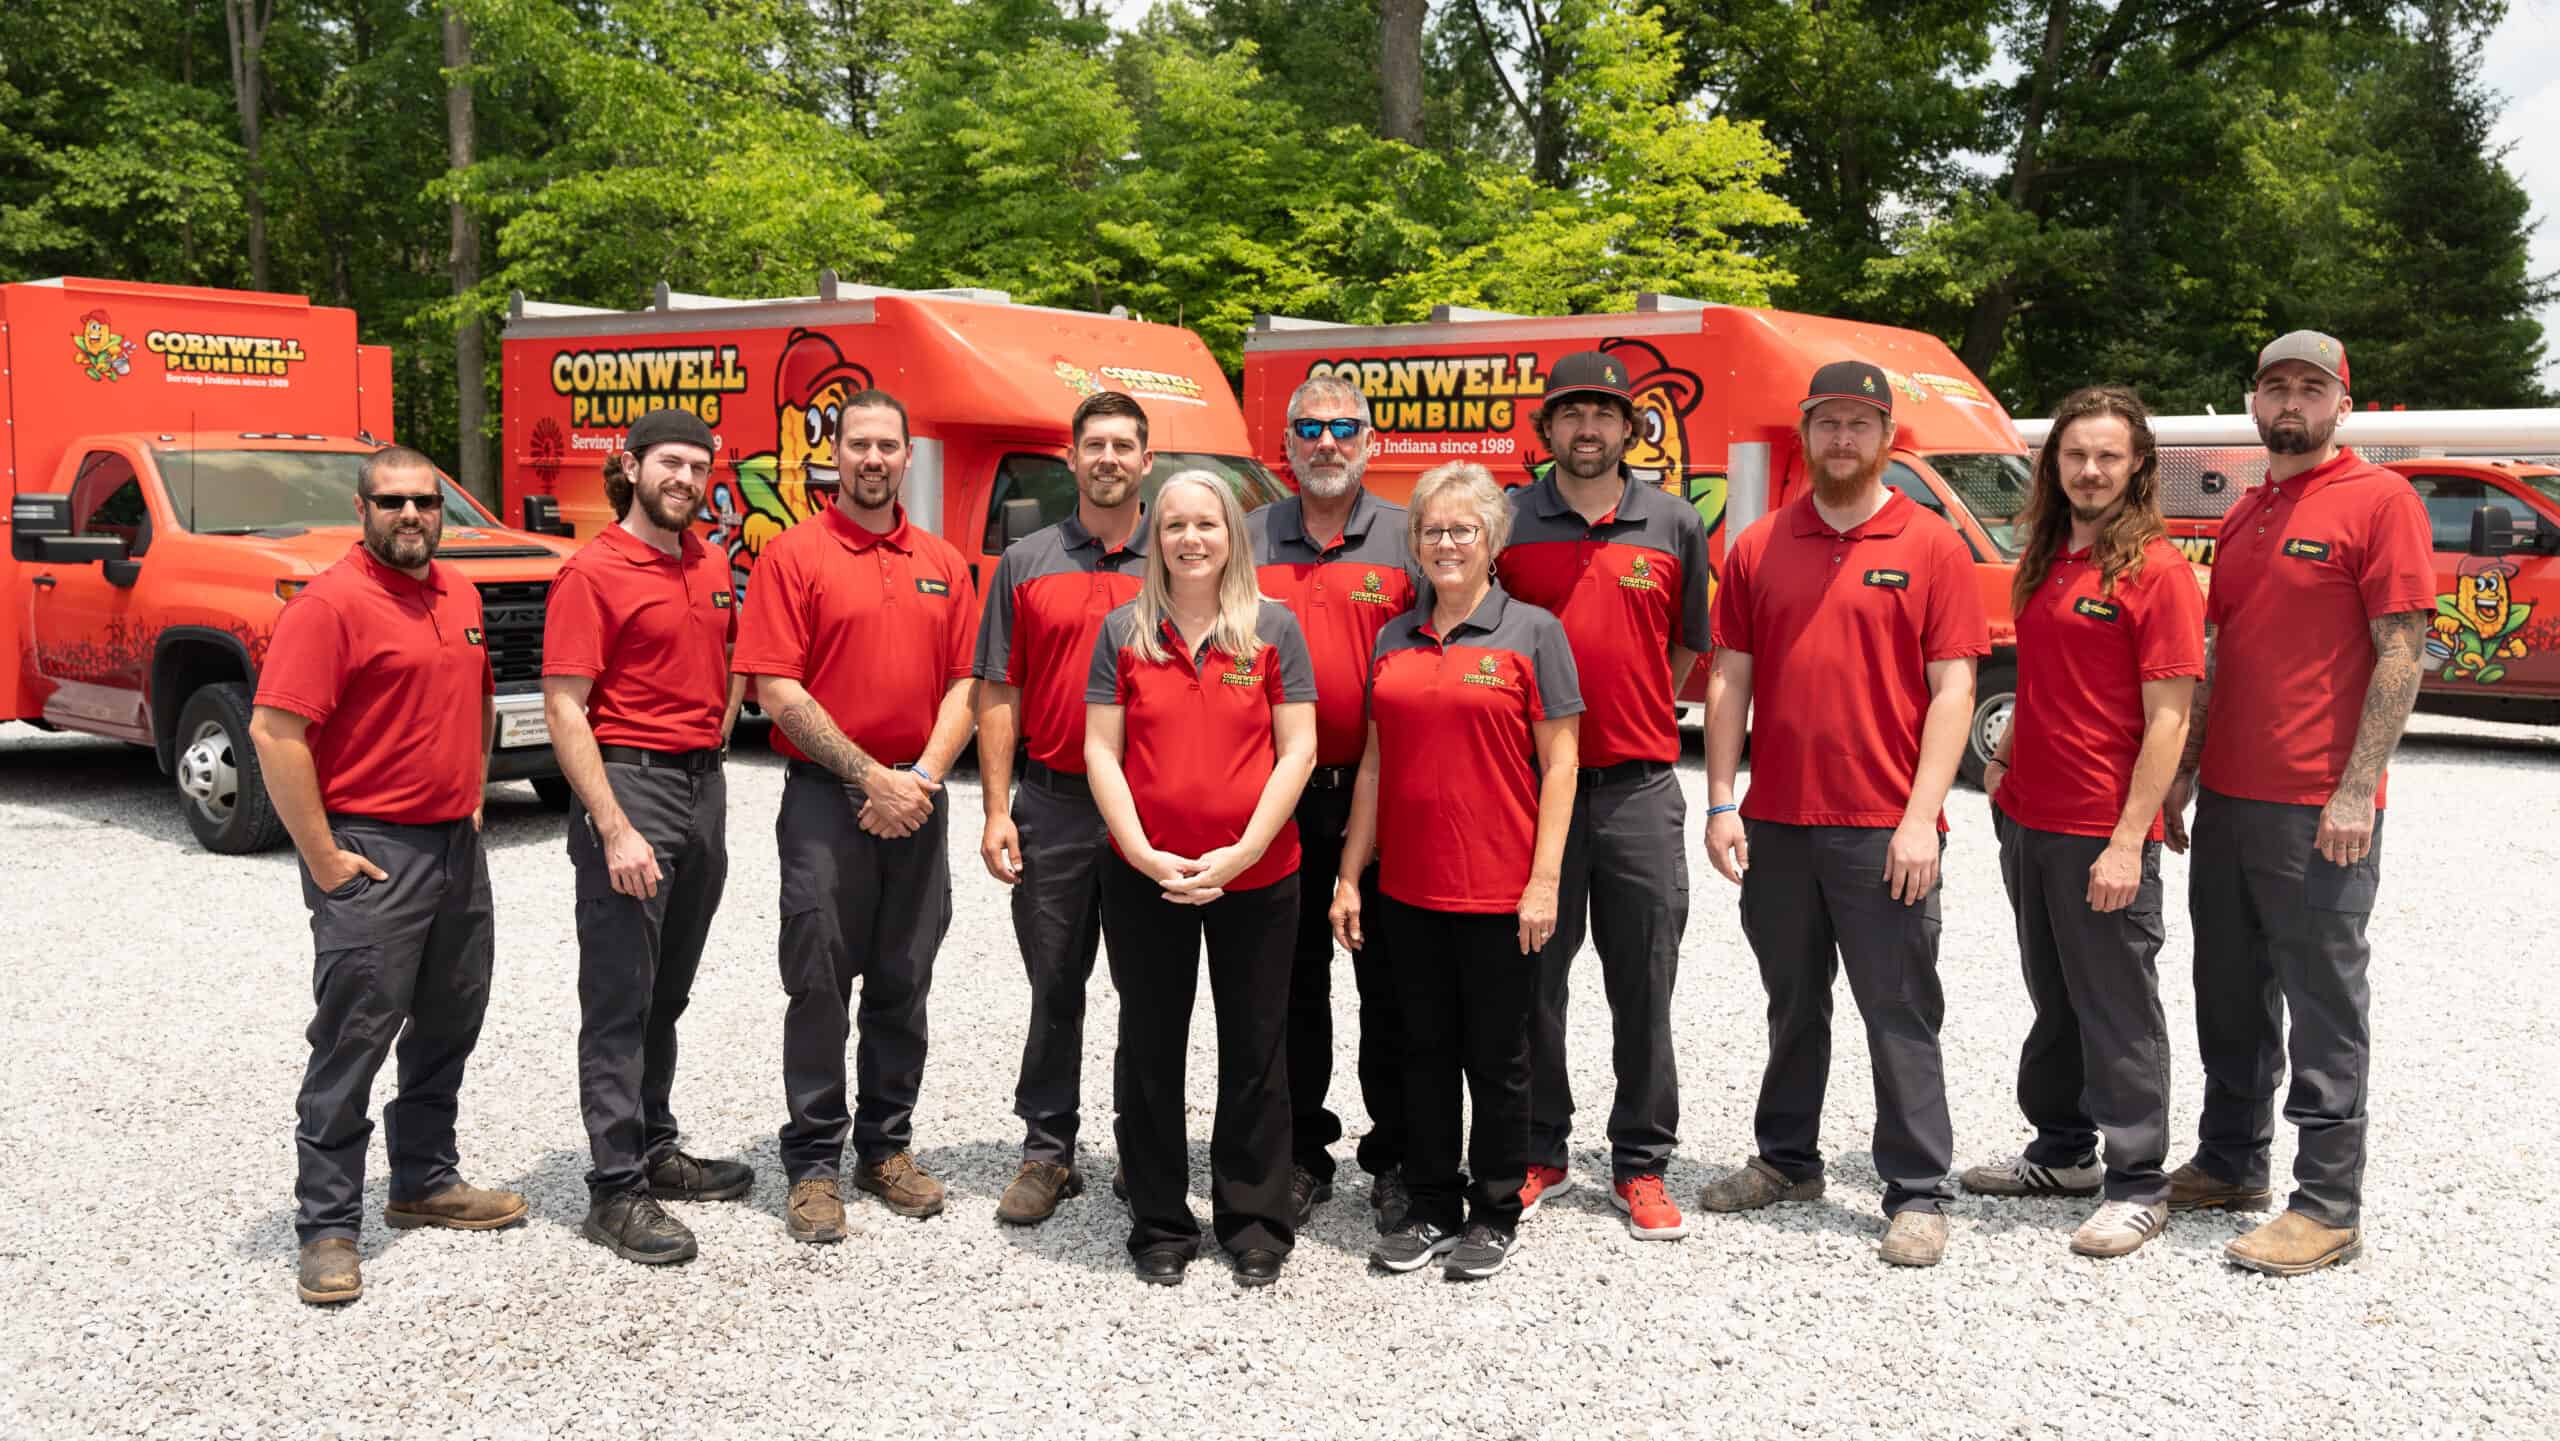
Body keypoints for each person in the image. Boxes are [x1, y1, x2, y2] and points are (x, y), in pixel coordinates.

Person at [1697, 360, 1988, 1268]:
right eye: (1828, 422)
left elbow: (1955, 689)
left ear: (1890, 437)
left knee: (1898, 1009)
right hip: (1779, 822)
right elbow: (1730, 676)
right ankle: (1788, 1160)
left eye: (1861, 423)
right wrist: (1720, 799)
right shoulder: (1759, 544)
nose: (1843, 439)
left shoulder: (1933, 544)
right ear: (1805, 432)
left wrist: (1921, 817)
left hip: (1884, 825)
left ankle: (1918, 1190)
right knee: (1793, 1003)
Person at [2162, 331, 2432, 1277]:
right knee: (2229, 990)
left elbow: (2403, 648)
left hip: (2320, 805)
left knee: (2323, 1000)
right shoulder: (2245, 513)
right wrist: (2187, 767)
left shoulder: (2381, 501)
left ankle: (2326, 1203)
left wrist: (2357, 787)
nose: (2291, 403)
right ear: (2253, 401)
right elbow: (2220, 652)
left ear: (2341, 406)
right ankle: (2232, 1161)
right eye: (2275, 386)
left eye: (2311, 389)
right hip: (2231, 797)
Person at [250, 445, 526, 1306]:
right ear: (362, 509)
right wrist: (323, 856)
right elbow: (273, 733)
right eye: (393, 501)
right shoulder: (329, 604)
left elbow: (478, 693)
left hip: (453, 846)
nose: (411, 515)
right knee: (355, 1033)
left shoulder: (459, 592)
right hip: (372, 846)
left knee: (450, 1016)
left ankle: (424, 1179)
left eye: (426, 502)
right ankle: (328, 1225)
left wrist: (473, 790)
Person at [1961, 386, 2202, 1259]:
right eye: (2076, 454)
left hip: (2102, 826)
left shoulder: (2157, 571)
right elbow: (2045, 674)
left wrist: (2130, 840)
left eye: (2108, 456)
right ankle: (2062, 1152)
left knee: (2116, 1004)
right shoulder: (2047, 553)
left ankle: (2137, 1180)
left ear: (2137, 466)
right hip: (2029, 816)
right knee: (2055, 994)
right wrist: (2003, 755)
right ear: (2054, 463)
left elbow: (2169, 718)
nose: (2090, 470)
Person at [733, 390, 979, 1244]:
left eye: (887, 445)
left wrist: (920, 777)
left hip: (919, 797)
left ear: (909, 456)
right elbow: (776, 687)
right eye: (858, 445)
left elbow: (967, 683)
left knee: (905, 980)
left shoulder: (944, 562)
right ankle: (812, 1164)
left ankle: (885, 1147)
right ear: (833, 456)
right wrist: (871, 775)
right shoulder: (792, 556)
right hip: (826, 802)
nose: (873, 459)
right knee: (818, 982)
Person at [1333, 461, 1581, 1282]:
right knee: (1423, 1052)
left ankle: (1496, 1208)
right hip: (1407, 889)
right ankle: (1433, 1203)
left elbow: (1562, 764)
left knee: (1499, 1058)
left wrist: (1544, 880)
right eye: (1432, 529)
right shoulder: (1392, 637)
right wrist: (1349, 874)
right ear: (1415, 542)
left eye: (1462, 529)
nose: (1446, 543)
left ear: (1492, 539)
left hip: (1500, 891)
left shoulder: (1533, 633)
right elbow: (1373, 763)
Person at [1494, 351, 1712, 1241]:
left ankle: (1641, 1162)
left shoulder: (1673, 521)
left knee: (1644, 981)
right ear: (1547, 427)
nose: (1588, 428)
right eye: (1571, 413)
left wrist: (1639, 706)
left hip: (1638, 787)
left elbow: (1687, 644)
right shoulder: (1508, 520)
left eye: (1604, 414)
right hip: (1527, 790)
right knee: (1531, 982)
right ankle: (1540, 1147)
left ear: (1630, 427)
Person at [1086, 471, 1318, 1286]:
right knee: (1151, 1045)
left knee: (1256, 1047)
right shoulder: (1123, 631)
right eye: (1175, 524)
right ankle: (1159, 1220)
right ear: (1155, 538)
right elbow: (1101, 750)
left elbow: (1299, 749)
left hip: (1257, 874)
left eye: (1207, 524)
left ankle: (1253, 1219)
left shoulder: (1274, 628)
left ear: (1233, 536)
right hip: (1144, 876)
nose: (1191, 539)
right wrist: (1143, 852)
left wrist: (1245, 850)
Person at [542, 409, 753, 1265]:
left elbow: (730, 663)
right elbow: (565, 707)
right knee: (620, 996)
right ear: (630, 467)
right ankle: (615, 1188)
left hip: (702, 787)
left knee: (668, 990)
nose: (686, 479)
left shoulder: (709, 561)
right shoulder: (591, 571)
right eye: (670, 462)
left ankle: (654, 1141)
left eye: (698, 466)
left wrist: (715, 742)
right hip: (630, 787)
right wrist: (614, 824)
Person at [1245, 374, 1418, 1233]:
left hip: (1382, 796)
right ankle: (1300, 1152)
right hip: (1275, 795)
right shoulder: (1247, 537)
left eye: (1344, 428)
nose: (1326, 442)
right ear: (1286, 443)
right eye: (1309, 428)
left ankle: (1398, 1154)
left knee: (1393, 984)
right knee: (1287, 984)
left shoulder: (1408, 536)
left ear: (1370, 441)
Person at [975, 391, 1154, 1224]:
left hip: (1151, 807)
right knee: (1055, 984)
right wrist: (995, 809)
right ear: (1072, 459)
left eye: (1123, 445)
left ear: (1146, 460)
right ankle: (1047, 1150)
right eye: (1094, 445)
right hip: (1052, 802)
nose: (1108, 458)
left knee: (1149, 985)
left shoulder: (1180, 556)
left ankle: (1142, 1146)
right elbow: (999, 689)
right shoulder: (1027, 560)